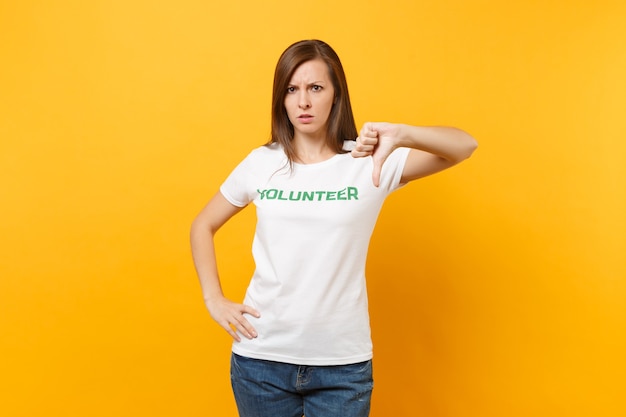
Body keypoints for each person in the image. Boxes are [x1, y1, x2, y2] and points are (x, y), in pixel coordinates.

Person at [190, 39, 477, 417]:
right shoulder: (262, 163)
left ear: (335, 95)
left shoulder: (368, 160)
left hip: (342, 366)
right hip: (261, 361)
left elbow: (464, 146)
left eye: (315, 88)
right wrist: (214, 299)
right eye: (292, 90)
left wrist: (403, 134)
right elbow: (203, 225)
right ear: (281, 98)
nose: (303, 102)